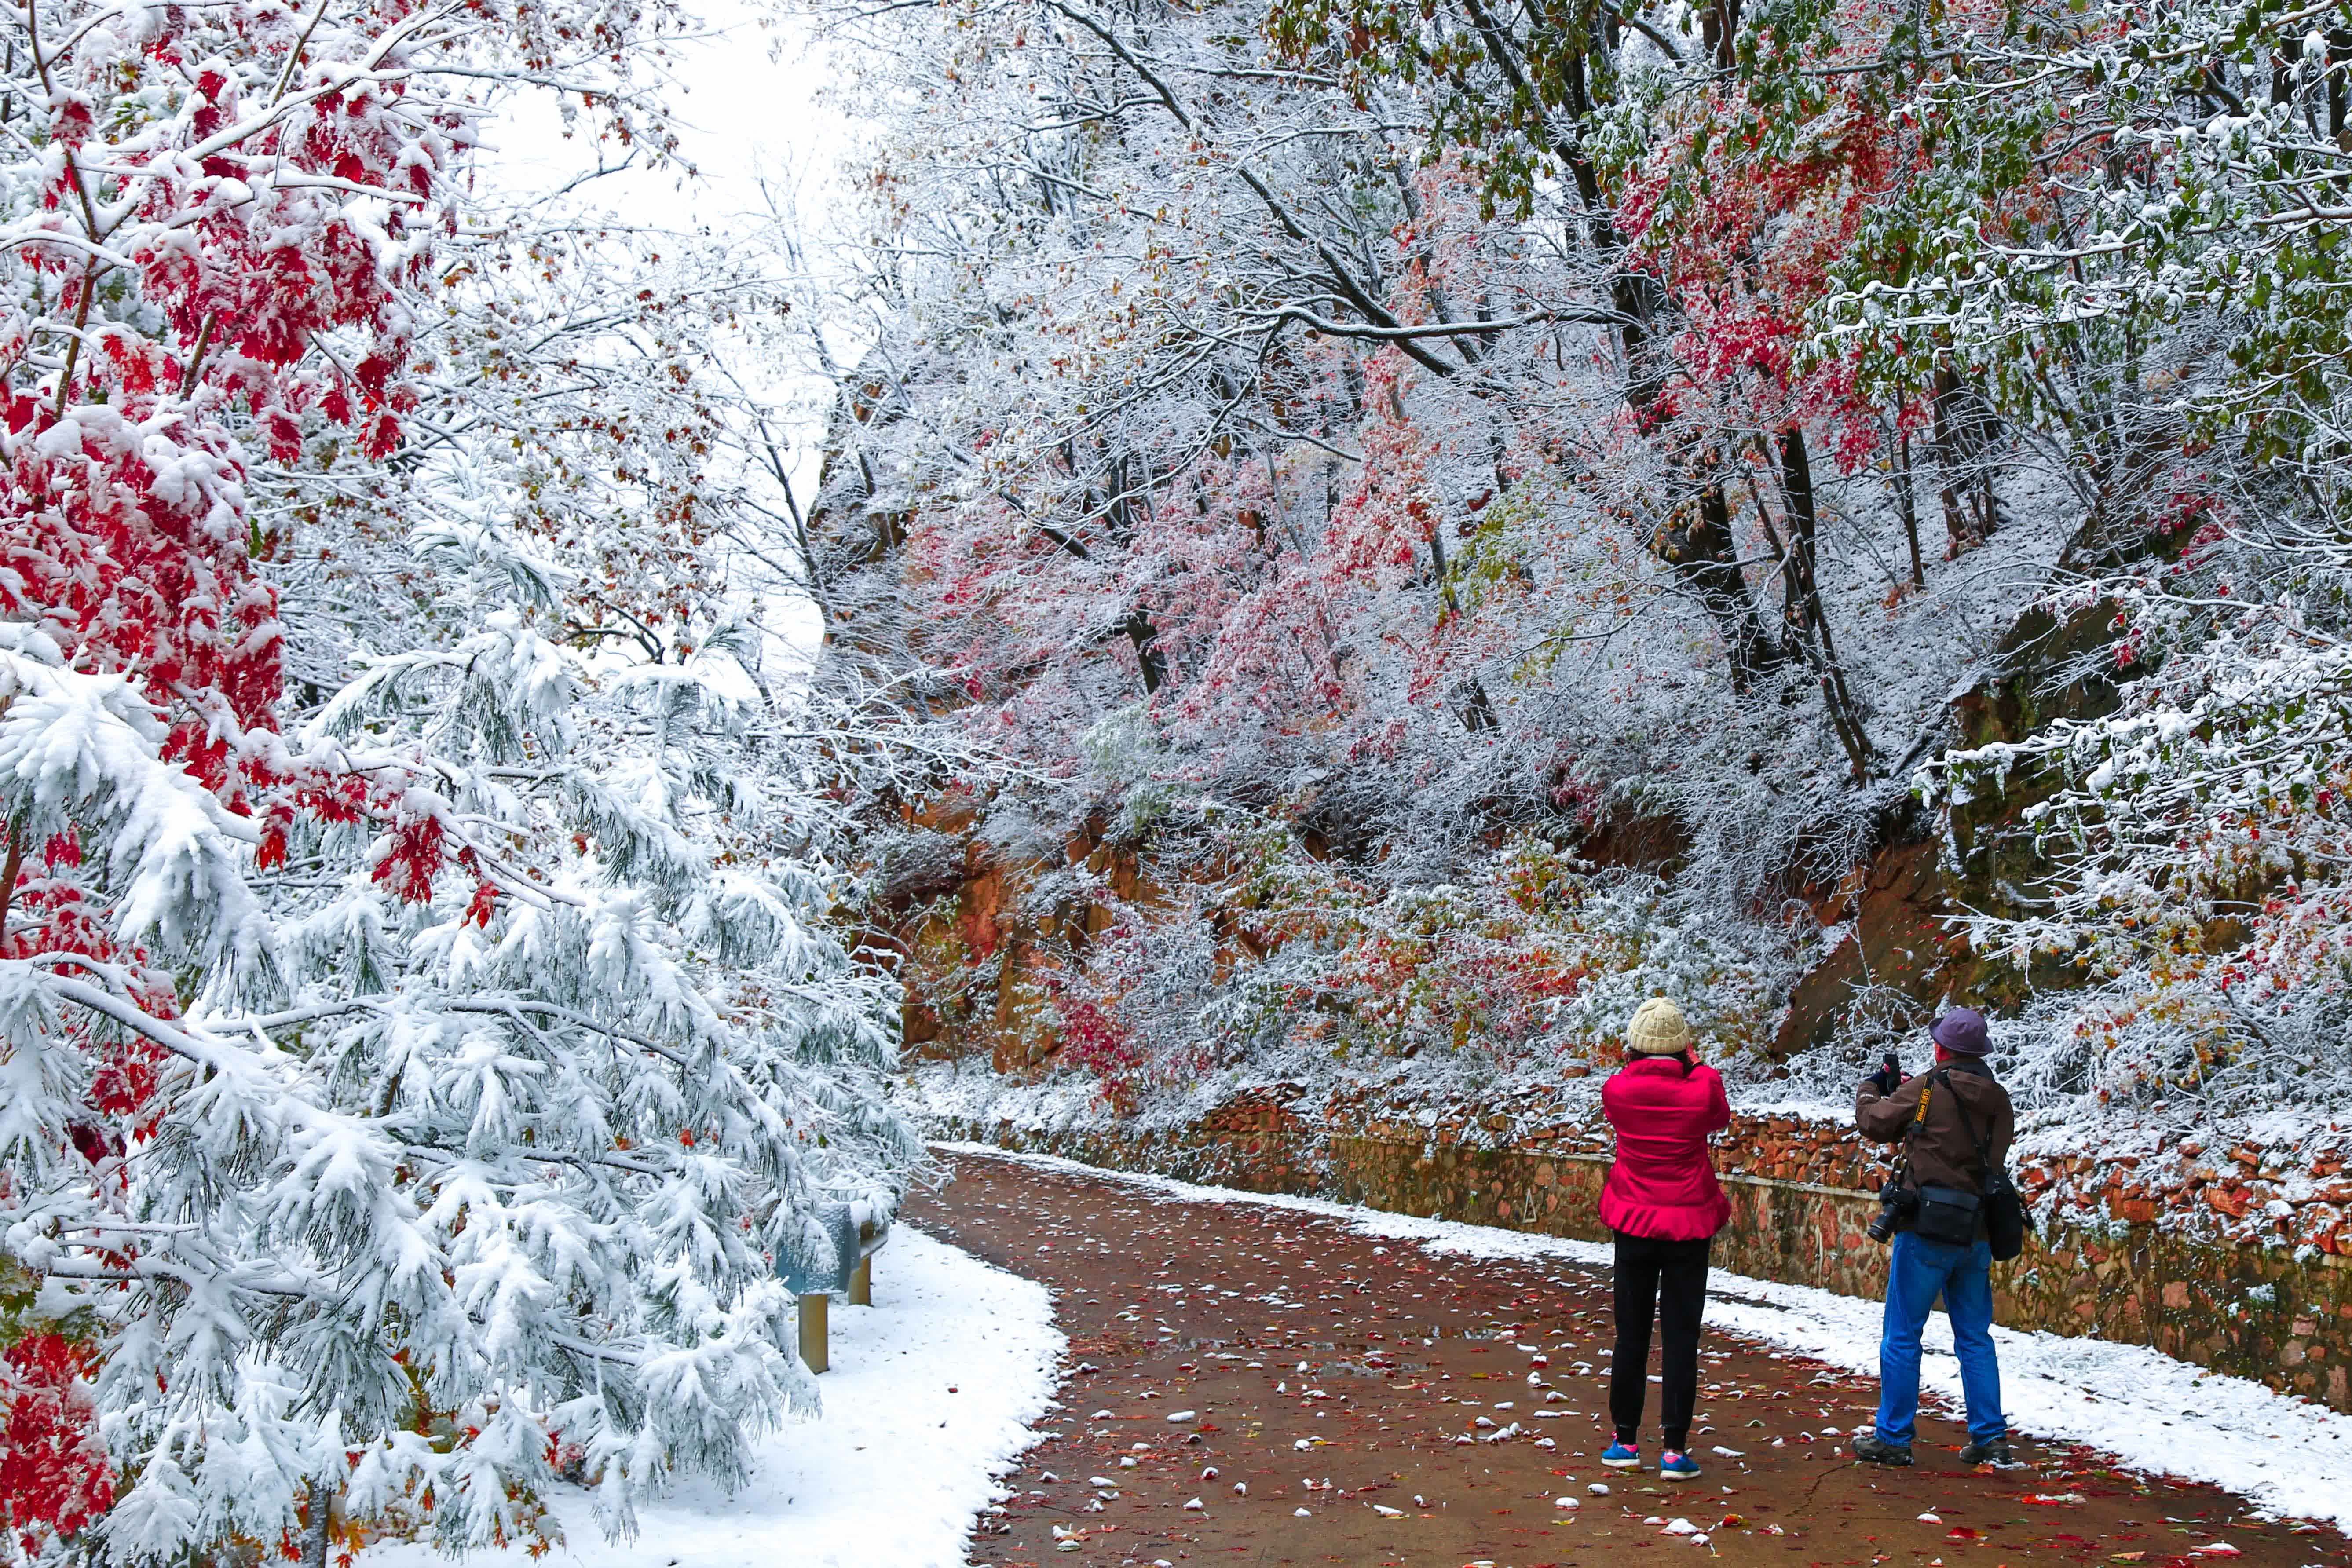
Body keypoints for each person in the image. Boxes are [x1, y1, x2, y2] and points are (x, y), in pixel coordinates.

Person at [1851, 1006, 2016, 1468]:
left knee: (1902, 1335)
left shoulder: (1927, 1087)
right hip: (1976, 1229)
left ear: (1941, 1049)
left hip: (1924, 1227)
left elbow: (1874, 1121)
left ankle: (1893, 1437)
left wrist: (1872, 1087)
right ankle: (1990, 1437)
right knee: (1975, 1338)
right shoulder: (1998, 1098)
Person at [1598, 996, 1731, 1481]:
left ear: (1635, 1045)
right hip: (1688, 1224)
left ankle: (1625, 1440)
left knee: (1630, 1334)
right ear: (1682, 1047)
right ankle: (1674, 1449)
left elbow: (1627, 1089)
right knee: (1681, 1337)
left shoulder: (1617, 1090)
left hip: (1633, 1221)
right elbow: (1719, 1115)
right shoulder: (1701, 1088)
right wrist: (1696, 1065)